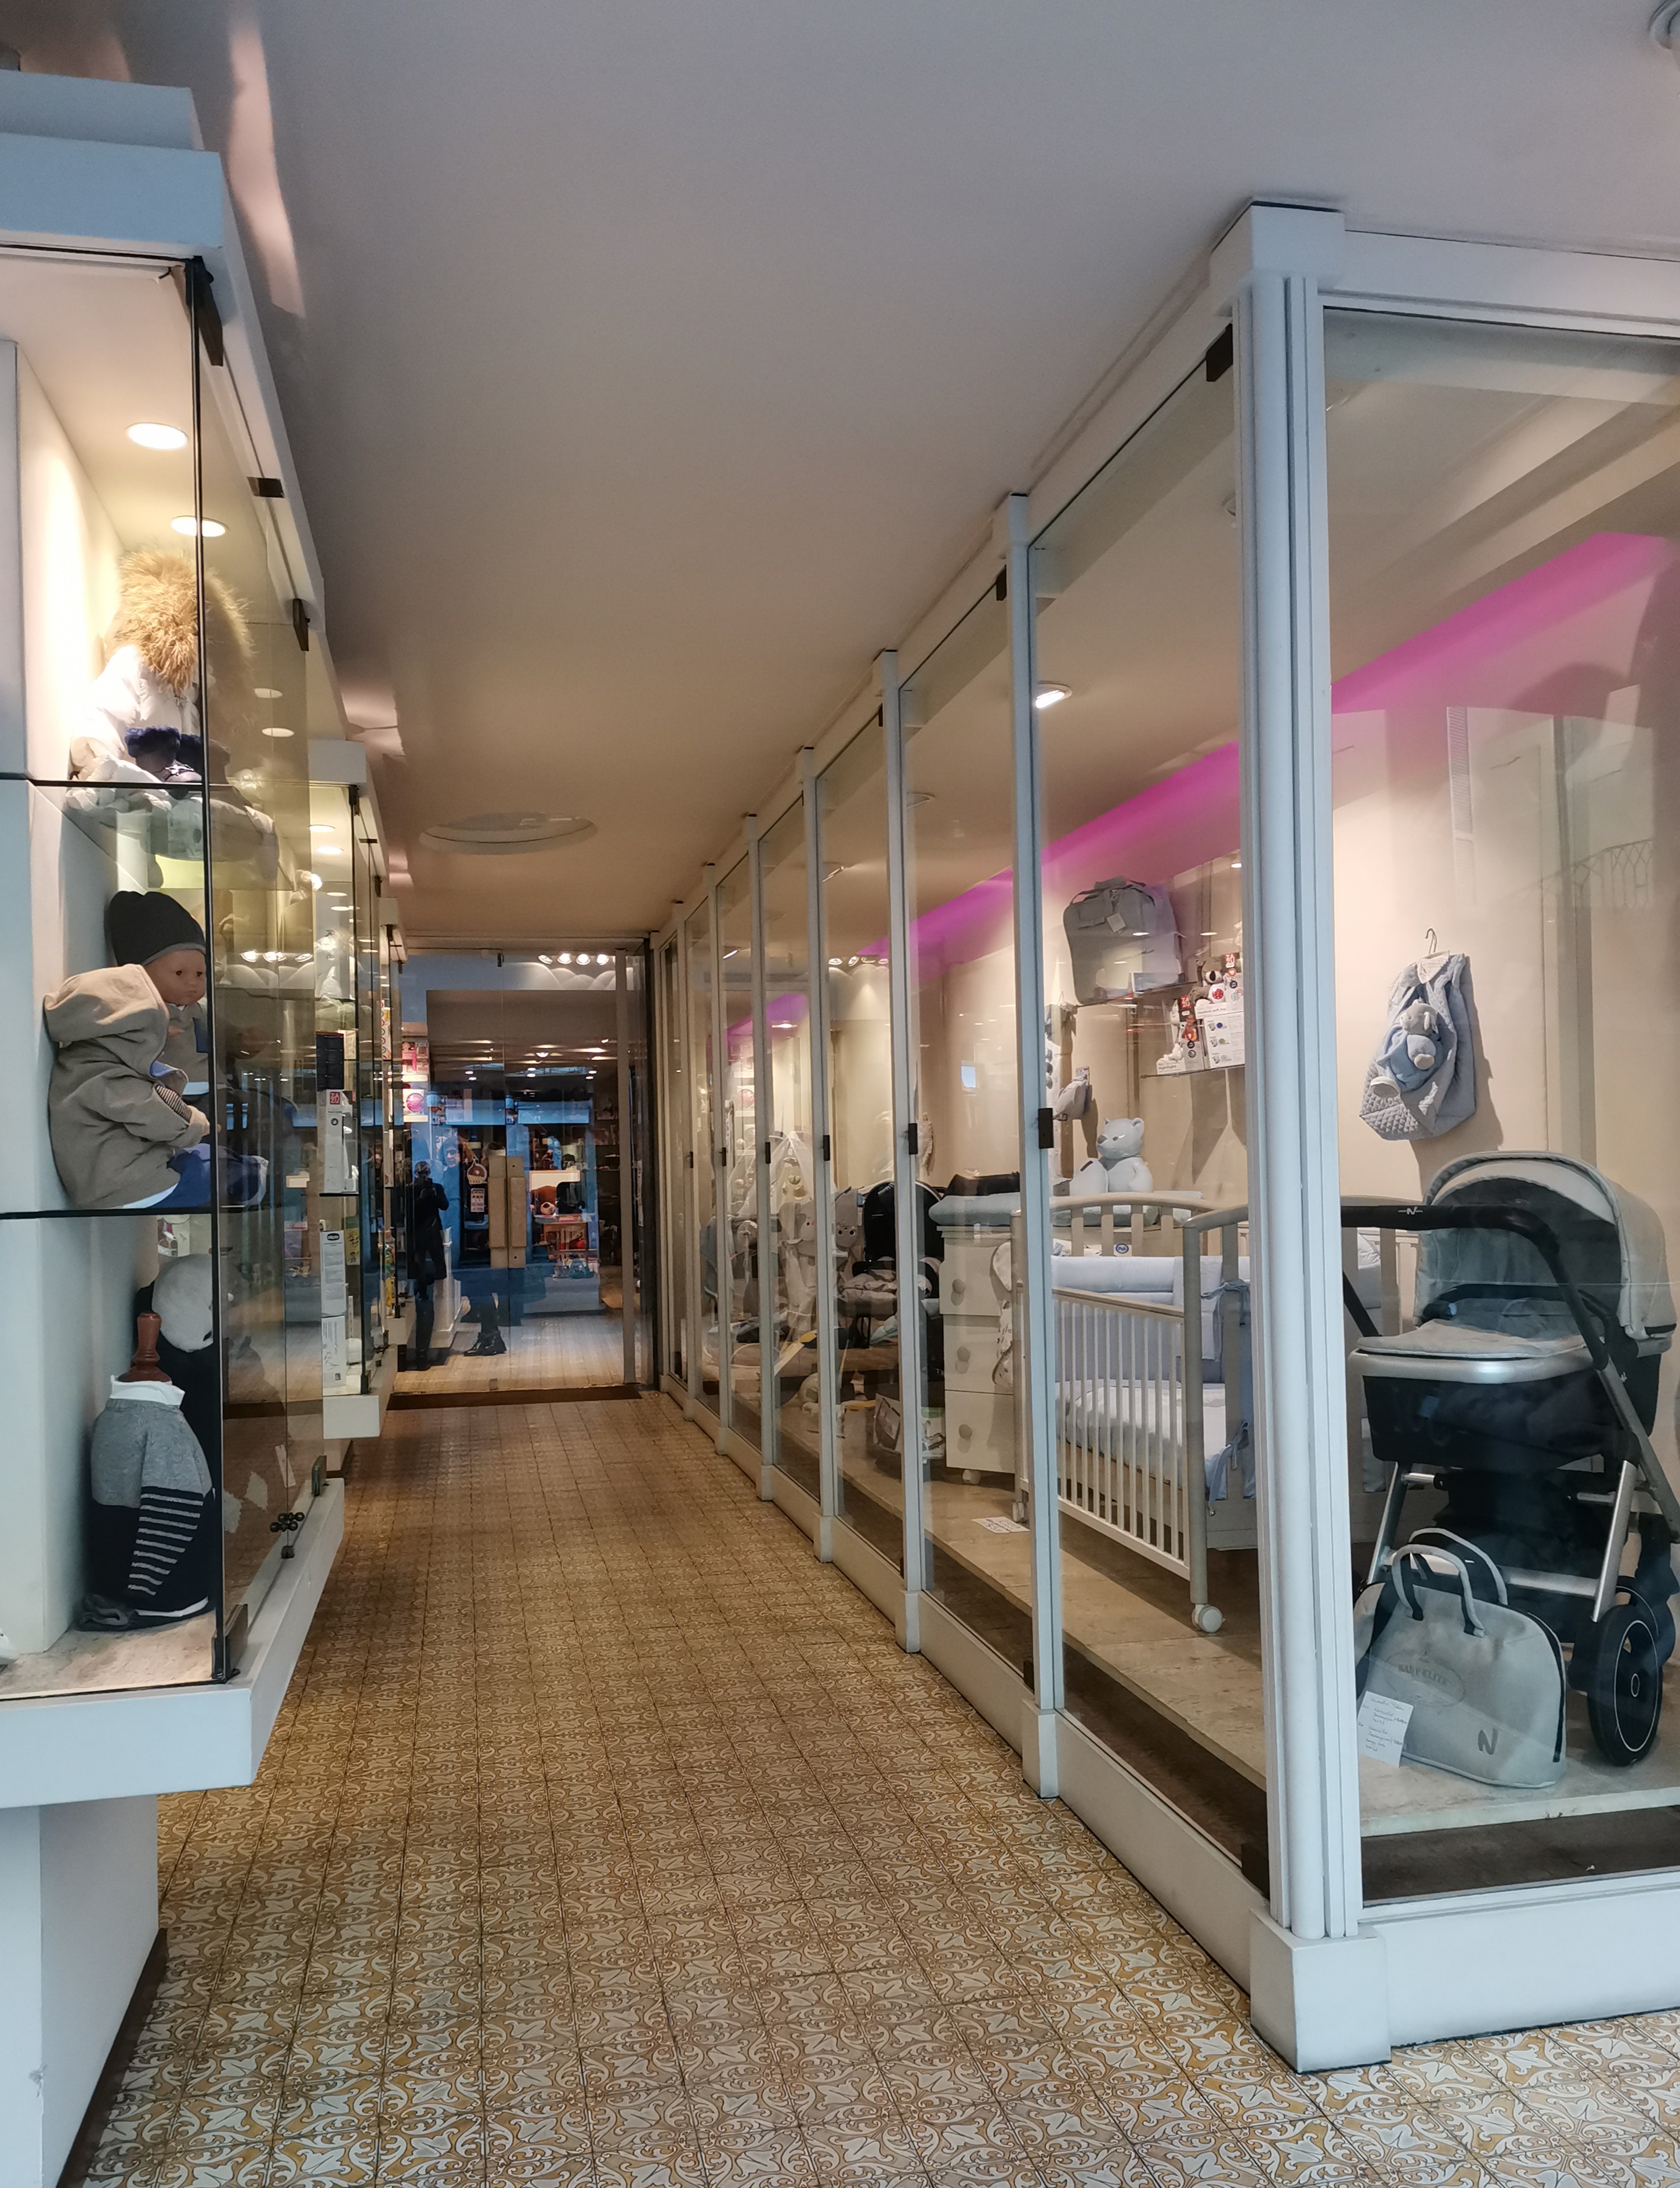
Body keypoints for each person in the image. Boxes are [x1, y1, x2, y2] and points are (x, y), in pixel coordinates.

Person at [407, 1161, 450, 1368]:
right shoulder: (411, 1190)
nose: (423, 1176)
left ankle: (423, 1352)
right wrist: (420, 1197)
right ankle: (420, 1353)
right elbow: (408, 1212)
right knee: (420, 1293)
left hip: (431, 1241)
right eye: (420, 1173)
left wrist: (433, 1194)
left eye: (425, 1173)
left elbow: (444, 1205)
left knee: (429, 1294)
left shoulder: (436, 1188)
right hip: (418, 1243)